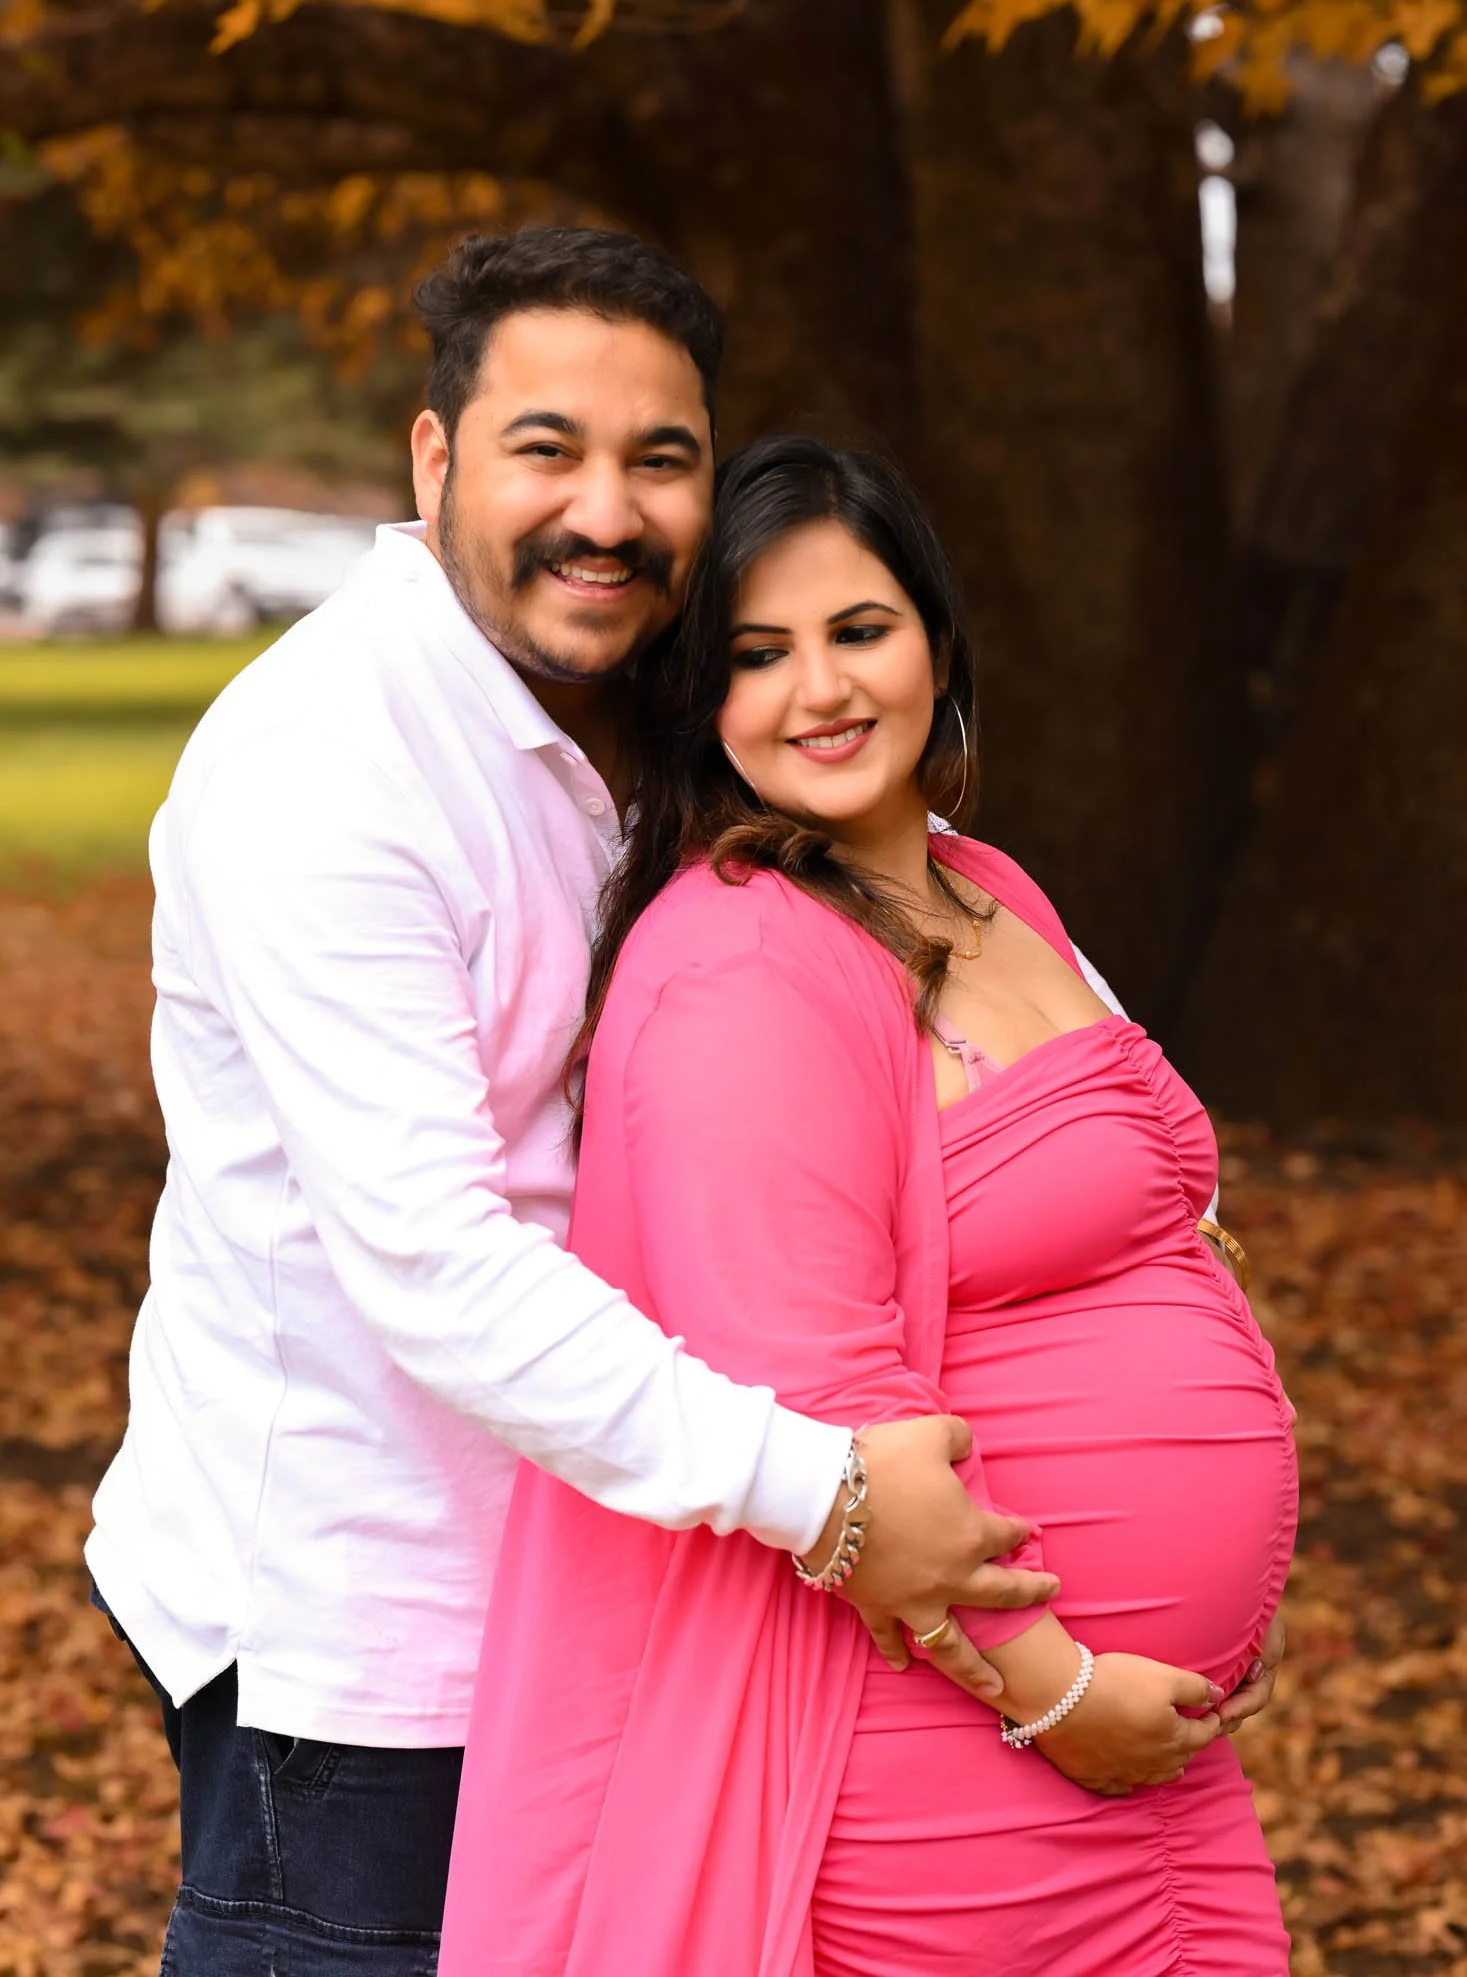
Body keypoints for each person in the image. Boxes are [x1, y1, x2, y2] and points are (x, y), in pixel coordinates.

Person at [87, 231, 1078, 1974]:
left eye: (661, 458)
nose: (605, 512)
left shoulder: (657, 712)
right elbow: (432, 1264)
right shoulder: (329, 768)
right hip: (378, 1644)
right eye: (547, 447)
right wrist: (828, 1498)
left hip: (630, 1582)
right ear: (434, 458)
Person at [440, 435, 1299, 1976]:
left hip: (1137, 1745)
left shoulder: (983, 884)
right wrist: (1054, 1692)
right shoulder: (743, 963)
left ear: (938, 641)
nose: (816, 691)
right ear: (697, 698)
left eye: (858, 630)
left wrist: (1224, 1590)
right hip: (961, 1755)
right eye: (755, 655)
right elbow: (829, 1409)